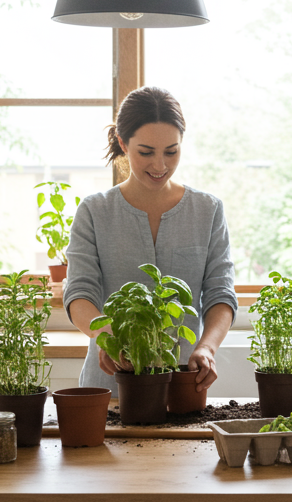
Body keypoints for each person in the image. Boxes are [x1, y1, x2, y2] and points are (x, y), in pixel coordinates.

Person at [63, 86, 237, 393]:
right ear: (122, 143)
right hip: (110, 386)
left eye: (171, 151)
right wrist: (107, 336)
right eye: (146, 152)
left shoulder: (208, 210)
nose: (160, 165)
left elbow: (220, 294)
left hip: (183, 383)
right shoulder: (94, 211)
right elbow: (79, 293)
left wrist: (207, 348)